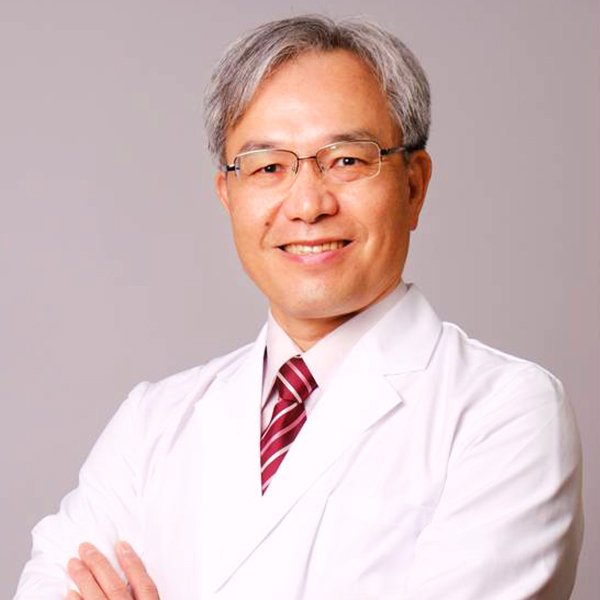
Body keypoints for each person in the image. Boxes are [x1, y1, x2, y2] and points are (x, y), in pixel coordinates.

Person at [14, 14, 583, 600]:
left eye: (347, 160)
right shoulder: (152, 423)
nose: (308, 204)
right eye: (268, 168)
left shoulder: (505, 412)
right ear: (227, 195)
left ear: (414, 185)